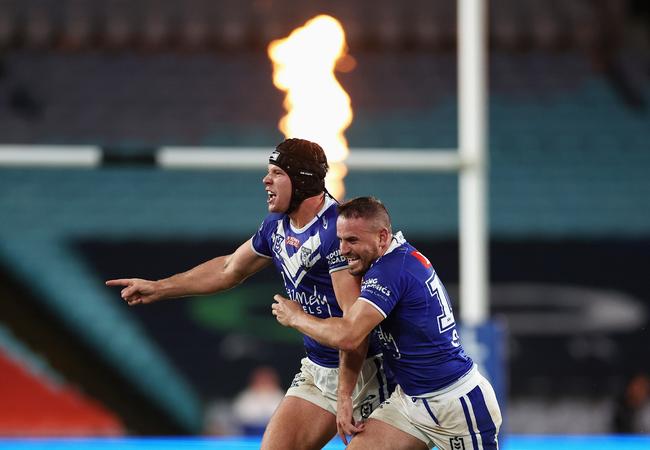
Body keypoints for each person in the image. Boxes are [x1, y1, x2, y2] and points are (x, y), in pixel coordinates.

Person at [105, 139, 389, 450]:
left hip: (364, 373)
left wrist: (344, 391)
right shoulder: (276, 226)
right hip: (320, 368)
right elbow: (229, 269)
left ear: (303, 180)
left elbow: (354, 332)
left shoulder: (338, 232)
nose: (266, 180)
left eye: (277, 173)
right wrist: (160, 287)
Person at [272, 196, 502, 450]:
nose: (343, 250)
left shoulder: (390, 270)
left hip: (455, 404)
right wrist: (345, 395)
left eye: (352, 240)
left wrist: (296, 317)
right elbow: (357, 337)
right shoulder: (390, 261)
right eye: (340, 239)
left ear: (382, 237)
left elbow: (349, 335)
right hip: (409, 403)